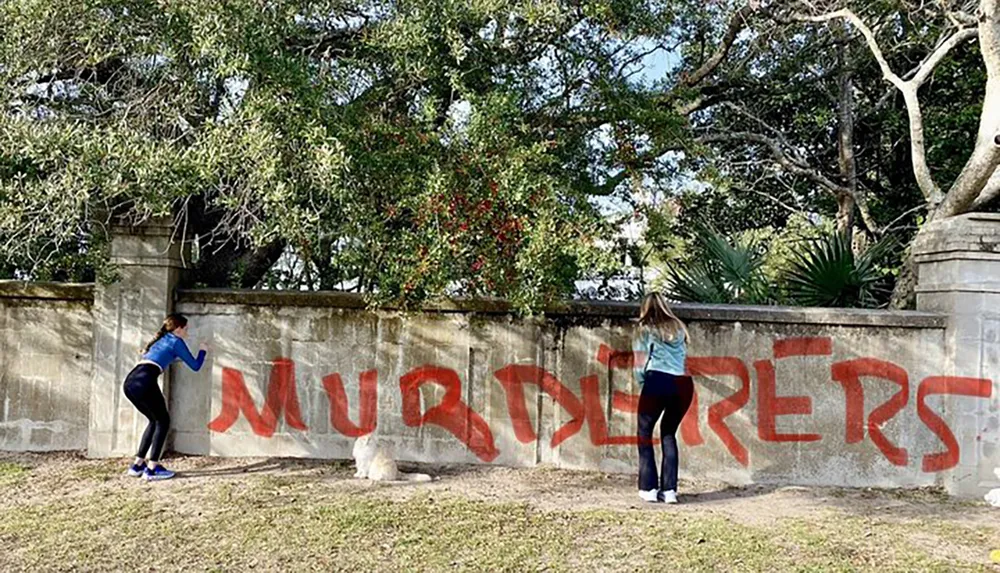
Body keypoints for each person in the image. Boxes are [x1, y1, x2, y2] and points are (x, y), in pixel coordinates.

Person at [123, 313, 207, 481]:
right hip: (145, 383)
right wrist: (203, 351)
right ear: (178, 329)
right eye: (185, 329)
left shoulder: (162, 340)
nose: (187, 332)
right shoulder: (177, 341)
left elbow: (166, 357)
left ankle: (138, 465)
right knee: (163, 421)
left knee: (154, 421)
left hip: (130, 382)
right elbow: (196, 366)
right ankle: (152, 469)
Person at [633, 292, 693, 504]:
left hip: (657, 380)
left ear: (645, 308)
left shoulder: (645, 329)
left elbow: (640, 363)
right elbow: (683, 359)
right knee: (668, 433)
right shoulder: (679, 327)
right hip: (684, 384)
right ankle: (669, 491)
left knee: (644, 432)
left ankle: (648, 488)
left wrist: (643, 384)